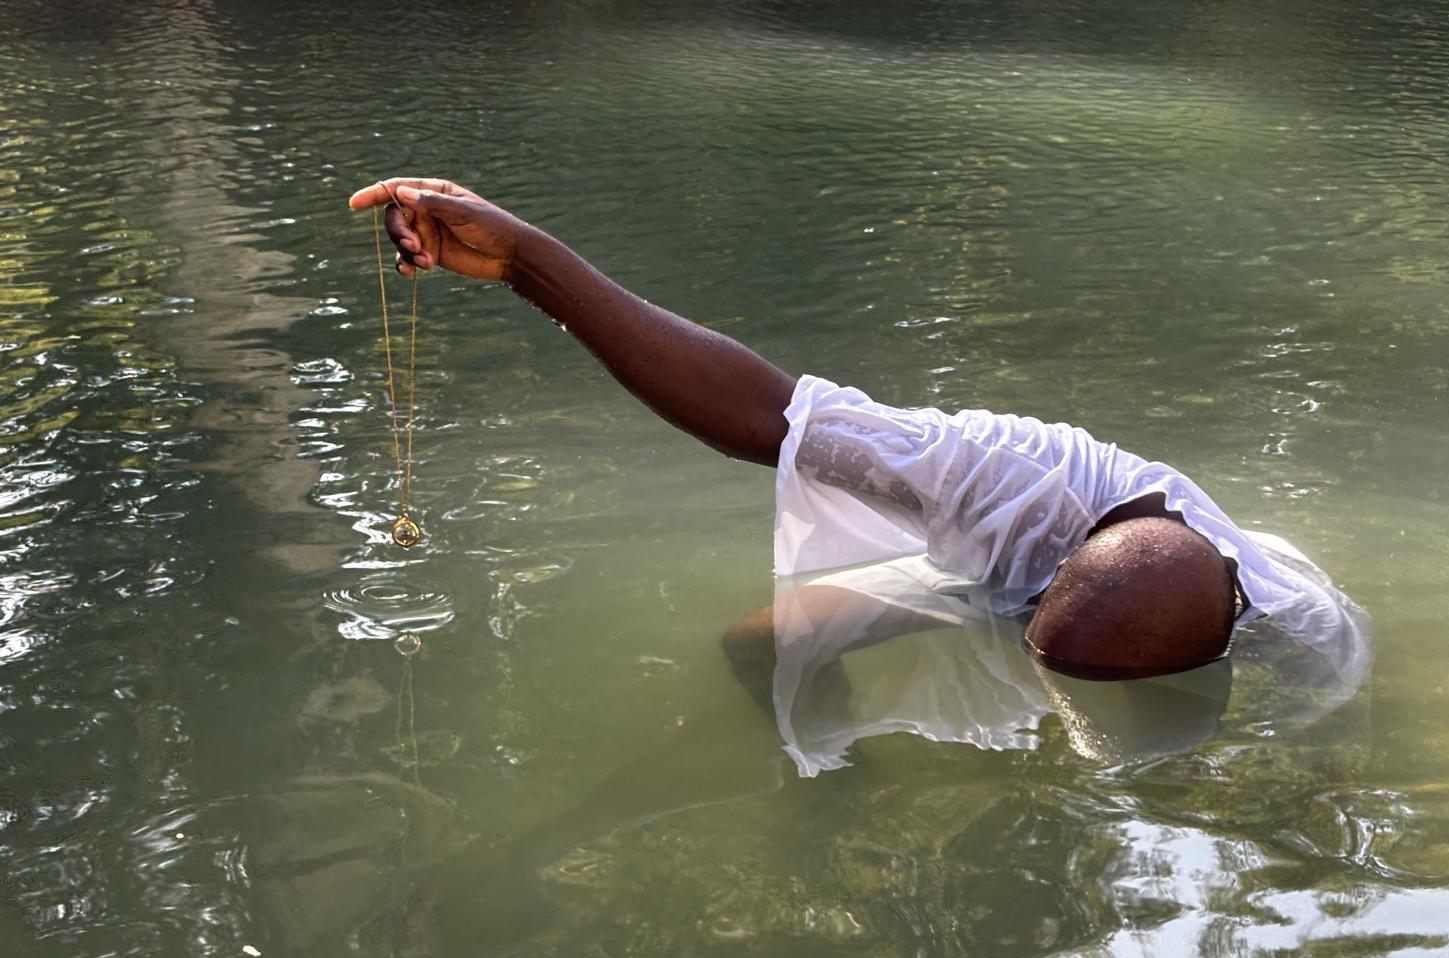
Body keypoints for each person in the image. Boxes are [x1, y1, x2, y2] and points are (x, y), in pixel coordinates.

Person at [348, 178, 1371, 706]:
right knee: (766, 642)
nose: (1054, 683)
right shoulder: (1005, 477)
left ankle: (1062, 671)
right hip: (1031, 574)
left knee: (1127, 634)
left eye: (1061, 672)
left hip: (1149, 590)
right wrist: (528, 262)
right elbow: (771, 417)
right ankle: (834, 787)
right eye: (1056, 669)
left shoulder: (1307, 644)